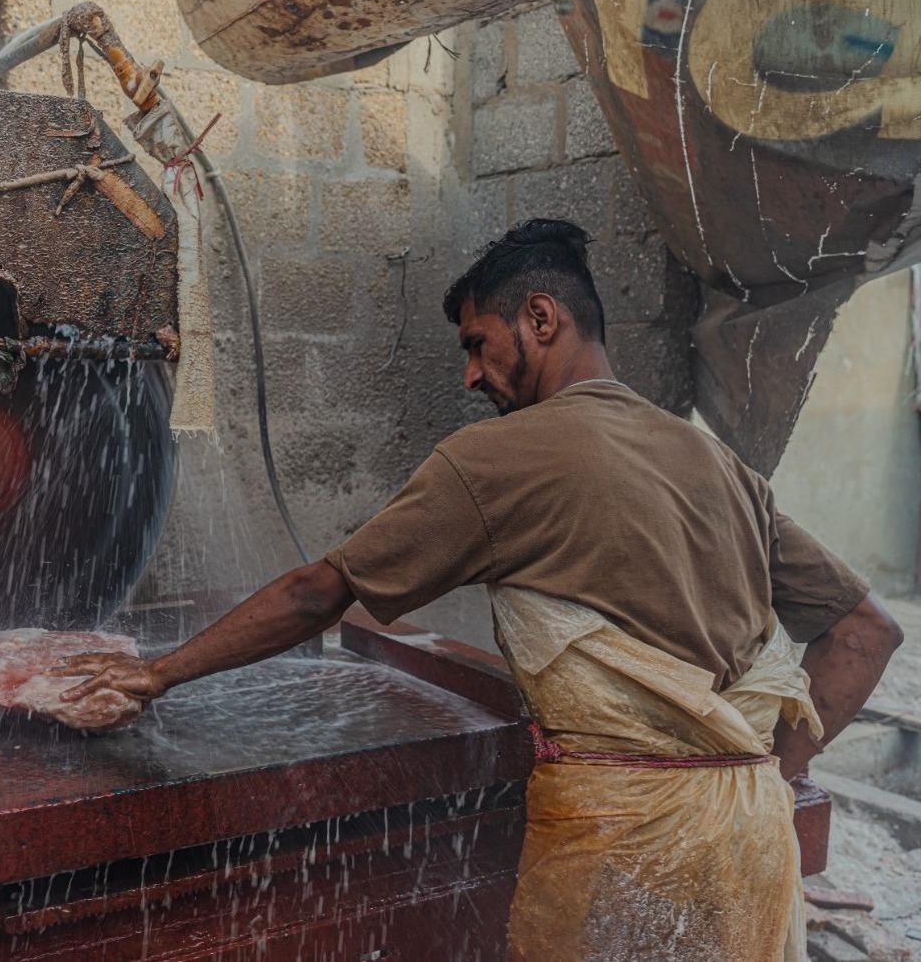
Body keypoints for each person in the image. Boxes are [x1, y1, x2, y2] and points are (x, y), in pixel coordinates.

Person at [56, 218, 906, 962]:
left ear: (541, 317)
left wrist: (158, 675)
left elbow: (321, 593)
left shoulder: (494, 460)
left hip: (617, 854)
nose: (470, 376)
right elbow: (867, 630)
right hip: (750, 854)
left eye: (476, 344)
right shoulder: (721, 465)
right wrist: (770, 776)